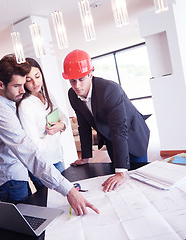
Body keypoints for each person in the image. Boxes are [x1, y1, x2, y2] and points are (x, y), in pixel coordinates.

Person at [0, 54, 99, 216]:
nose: (23, 90)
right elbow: (28, 152)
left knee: (34, 216)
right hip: (10, 178)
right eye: (17, 86)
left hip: (14, 172)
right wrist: (69, 190)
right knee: (26, 222)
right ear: (0, 84)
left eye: (23, 83)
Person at [62, 49, 150, 192]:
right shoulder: (72, 95)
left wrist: (121, 171)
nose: (77, 85)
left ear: (90, 74)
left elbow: (119, 129)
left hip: (133, 135)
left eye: (81, 79)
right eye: (72, 81)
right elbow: (83, 124)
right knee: (118, 184)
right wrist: (85, 156)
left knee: (138, 179)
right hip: (111, 137)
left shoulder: (109, 90)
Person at [17, 57, 67, 190]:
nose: (35, 82)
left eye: (37, 76)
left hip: (57, 157)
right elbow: (35, 145)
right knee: (55, 204)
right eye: (29, 80)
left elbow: (63, 117)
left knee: (66, 203)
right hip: (42, 165)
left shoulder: (47, 94)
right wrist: (53, 133)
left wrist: (61, 125)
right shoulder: (25, 105)